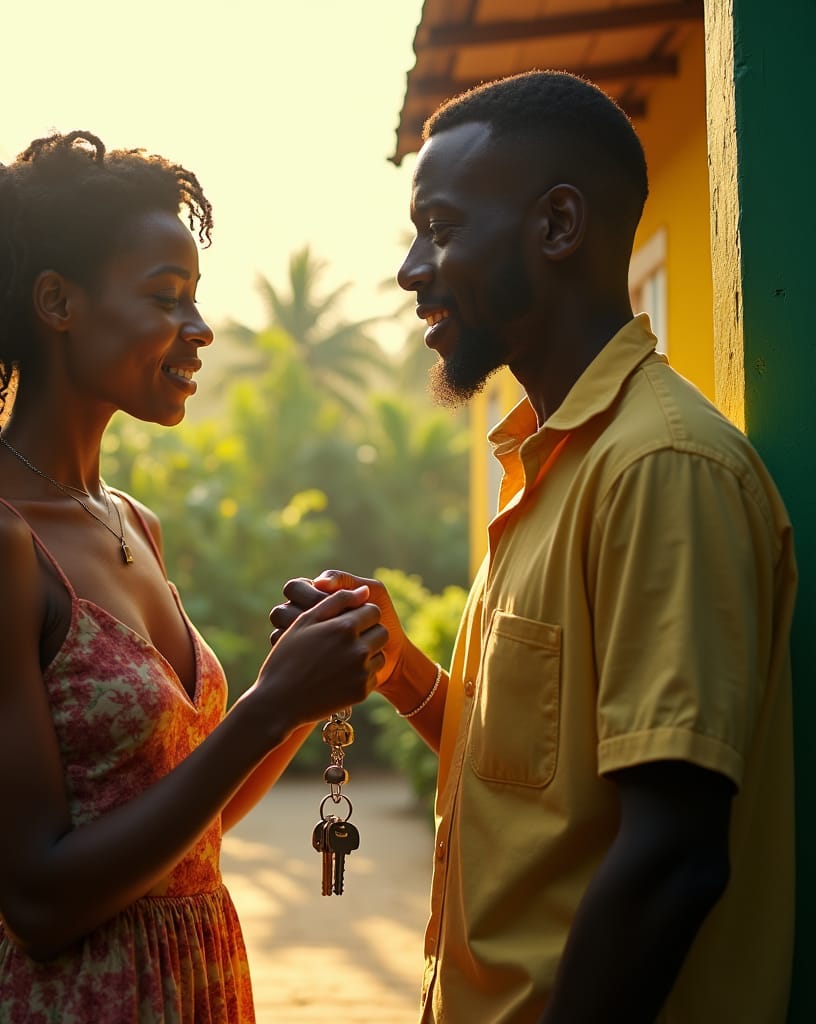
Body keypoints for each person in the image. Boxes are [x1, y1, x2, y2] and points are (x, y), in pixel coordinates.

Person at [271, 71, 796, 1022]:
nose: (411, 269)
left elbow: (672, 859)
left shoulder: (660, 469)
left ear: (557, 226)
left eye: (441, 227)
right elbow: (545, 785)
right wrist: (400, 671)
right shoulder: (548, 465)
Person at [0, 130, 387, 1023]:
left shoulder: (131, 523)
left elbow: (184, 831)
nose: (200, 331)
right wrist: (267, 707)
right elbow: (40, 903)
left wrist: (307, 690)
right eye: (168, 298)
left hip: (193, 981)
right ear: (57, 302)